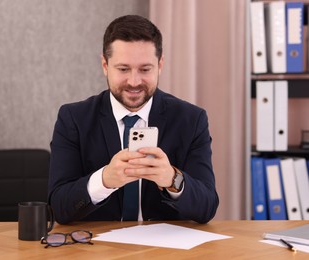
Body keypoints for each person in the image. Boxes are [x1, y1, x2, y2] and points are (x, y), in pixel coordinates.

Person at [48, 15, 219, 224]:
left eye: (145, 69)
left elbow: (207, 208)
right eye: (123, 69)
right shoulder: (73, 119)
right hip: (97, 250)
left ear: (160, 65)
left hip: (164, 251)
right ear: (105, 65)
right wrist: (103, 181)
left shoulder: (191, 119)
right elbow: (59, 208)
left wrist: (172, 179)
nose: (134, 81)